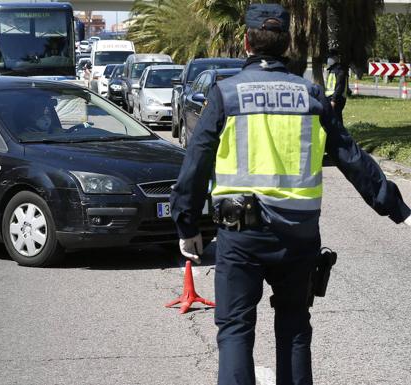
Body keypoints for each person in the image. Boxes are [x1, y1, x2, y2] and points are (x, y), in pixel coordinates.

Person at [169, 4, 411, 385]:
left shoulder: (226, 94)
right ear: (286, 44)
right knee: (295, 327)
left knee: (235, 328)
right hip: (298, 235)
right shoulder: (312, 96)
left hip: (241, 235)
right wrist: (396, 207)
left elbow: (195, 163)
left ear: (246, 41)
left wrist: (187, 225)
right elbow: (350, 156)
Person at [325, 49, 348, 124]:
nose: (329, 59)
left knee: (337, 121)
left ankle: (341, 135)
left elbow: (339, 86)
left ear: (337, 58)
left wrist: (333, 100)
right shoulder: (331, 69)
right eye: (329, 57)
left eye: (332, 57)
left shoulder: (340, 70)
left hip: (337, 99)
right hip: (330, 98)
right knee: (331, 121)